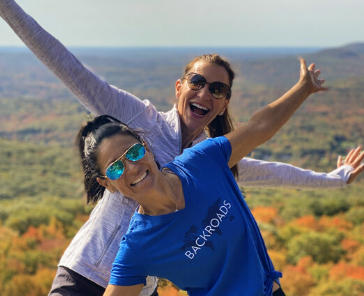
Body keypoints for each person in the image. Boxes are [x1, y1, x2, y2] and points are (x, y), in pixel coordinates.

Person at [1, 1, 363, 295]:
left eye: (217, 90)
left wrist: (337, 179)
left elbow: (277, 169)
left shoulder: (208, 160)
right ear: (179, 87)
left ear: (223, 104)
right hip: (85, 273)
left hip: (141, 286)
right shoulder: (140, 121)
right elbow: (71, 70)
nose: (205, 93)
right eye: (197, 82)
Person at [74, 60, 354, 295]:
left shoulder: (202, 161)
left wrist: (303, 88)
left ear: (146, 148)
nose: (131, 167)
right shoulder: (137, 247)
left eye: (133, 152)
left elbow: (261, 127)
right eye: (115, 168)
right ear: (107, 184)